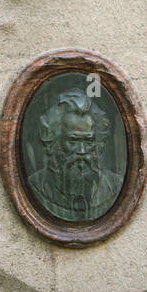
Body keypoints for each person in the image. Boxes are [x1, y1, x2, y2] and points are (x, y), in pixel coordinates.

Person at [26, 87, 123, 222]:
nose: (82, 151)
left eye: (89, 141)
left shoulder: (114, 185)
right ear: (54, 141)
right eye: (73, 141)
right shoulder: (36, 185)